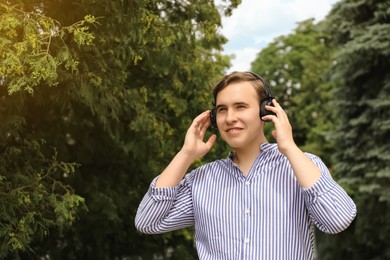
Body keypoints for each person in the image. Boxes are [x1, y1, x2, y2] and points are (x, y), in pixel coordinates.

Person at [135, 71, 357, 260]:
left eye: (240, 106)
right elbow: (147, 222)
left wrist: (288, 146)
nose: (230, 117)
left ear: (266, 110)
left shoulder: (301, 166)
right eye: (222, 109)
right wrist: (185, 154)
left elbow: (337, 220)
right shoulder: (201, 180)